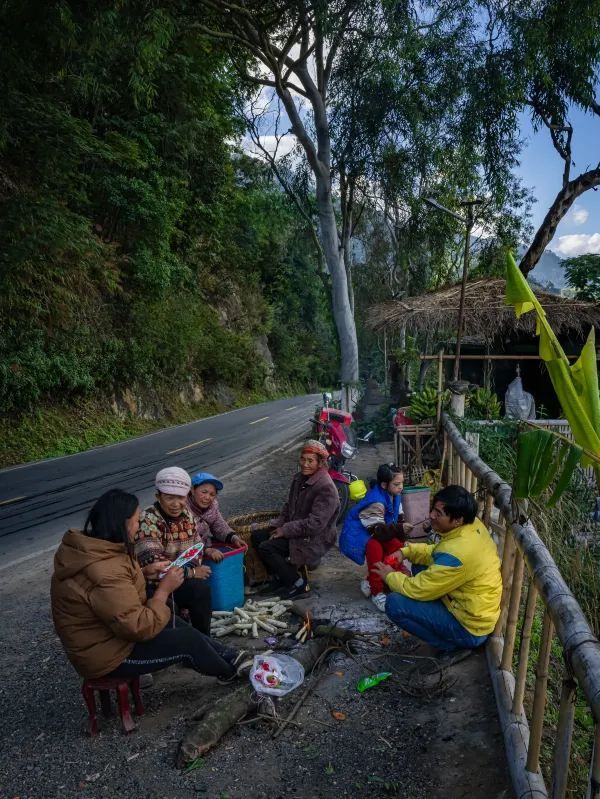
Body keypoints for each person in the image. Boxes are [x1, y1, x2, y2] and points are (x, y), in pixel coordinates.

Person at [51, 489, 247, 682]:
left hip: (114, 636)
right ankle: (232, 673)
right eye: (136, 520)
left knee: (176, 622)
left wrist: (144, 573)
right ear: (122, 524)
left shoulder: (100, 547)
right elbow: (138, 627)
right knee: (186, 640)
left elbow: (116, 595)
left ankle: (232, 656)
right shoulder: (104, 569)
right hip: (106, 656)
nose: (139, 526)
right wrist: (164, 590)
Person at [373, 485, 502, 652]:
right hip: (470, 607)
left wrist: (390, 576)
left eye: (439, 514)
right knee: (420, 564)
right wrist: (406, 552)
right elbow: (439, 552)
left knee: (394, 604)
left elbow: (418, 588)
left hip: (469, 628)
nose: (432, 515)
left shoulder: (459, 553)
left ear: (457, 520)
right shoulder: (471, 525)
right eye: (433, 509)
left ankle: (448, 646)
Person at [252, 440, 340, 598]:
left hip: (314, 537)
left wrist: (285, 530)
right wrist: (277, 526)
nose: (305, 464)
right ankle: (280, 578)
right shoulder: (299, 478)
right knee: (257, 536)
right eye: (303, 459)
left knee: (267, 547)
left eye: (310, 461)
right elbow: (289, 506)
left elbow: (315, 525)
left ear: (320, 463)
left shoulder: (326, 487)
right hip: (298, 529)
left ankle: (298, 584)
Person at [134, 467, 212, 635]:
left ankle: (205, 638)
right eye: (169, 498)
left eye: (181, 498)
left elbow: (196, 548)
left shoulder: (187, 515)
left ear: (187, 496)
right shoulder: (148, 519)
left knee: (201, 590)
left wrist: (192, 569)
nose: (176, 504)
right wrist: (191, 573)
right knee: (183, 599)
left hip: (179, 576)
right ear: (158, 497)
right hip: (155, 584)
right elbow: (156, 566)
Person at [339, 463, 412, 611]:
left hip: (380, 532)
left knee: (397, 548)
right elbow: (377, 531)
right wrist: (399, 529)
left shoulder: (394, 494)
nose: (401, 487)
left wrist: (402, 533)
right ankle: (377, 592)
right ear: (384, 485)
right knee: (375, 551)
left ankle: (370, 581)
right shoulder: (376, 502)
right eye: (397, 484)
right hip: (365, 535)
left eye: (402, 483)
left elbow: (398, 518)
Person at [187, 471, 244, 562]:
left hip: (206, 544)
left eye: (212, 494)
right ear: (193, 490)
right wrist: (206, 550)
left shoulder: (212, 507)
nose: (207, 497)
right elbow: (186, 540)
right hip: (188, 554)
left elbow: (219, 525)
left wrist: (233, 538)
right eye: (204, 492)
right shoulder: (183, 509)